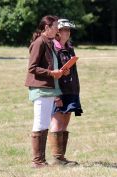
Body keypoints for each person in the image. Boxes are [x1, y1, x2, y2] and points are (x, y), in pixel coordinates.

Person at [25, 15, 68, 168]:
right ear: (47, 28)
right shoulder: (39, 42)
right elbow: (32, 68)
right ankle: (37, 161)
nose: (58, 29)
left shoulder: (49, 42)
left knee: (44, 124)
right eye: (55, 26)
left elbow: (50, 67)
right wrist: (51, 73)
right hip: (41, 89)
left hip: (49, 90)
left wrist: (61, 72)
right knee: (40, 123)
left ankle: (41, 161)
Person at [49, 19, 83, 166]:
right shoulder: (53, 48)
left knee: (65, 122)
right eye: (64, 30)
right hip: (59, 91)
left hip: (71, 90)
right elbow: (52, 74)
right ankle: (56, 158)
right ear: (57, 31)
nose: (67, 32)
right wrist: (56, 95)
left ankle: (61, 158)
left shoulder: (69, 48)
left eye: (69, 30)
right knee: (57, 122)